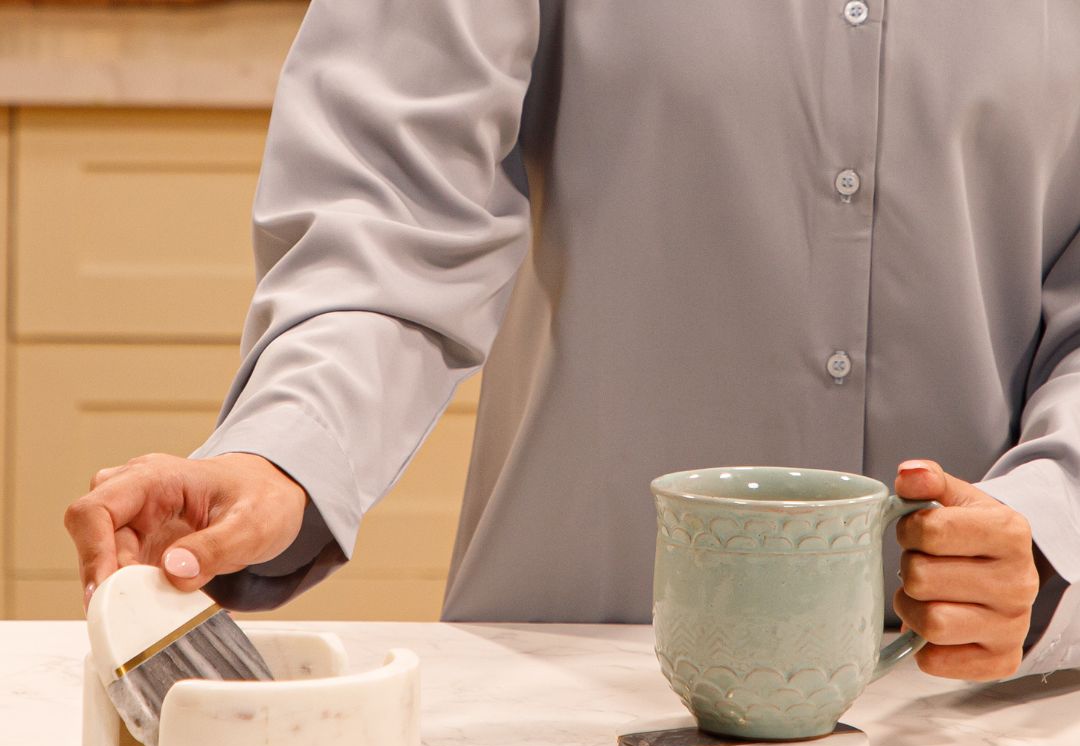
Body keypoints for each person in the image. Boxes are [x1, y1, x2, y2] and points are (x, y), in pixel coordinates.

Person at [65, 1, 1080, 682]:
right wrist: (287, 453)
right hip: (575, 707)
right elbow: (391, 204)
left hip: (956, 727)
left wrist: (1045, 533)